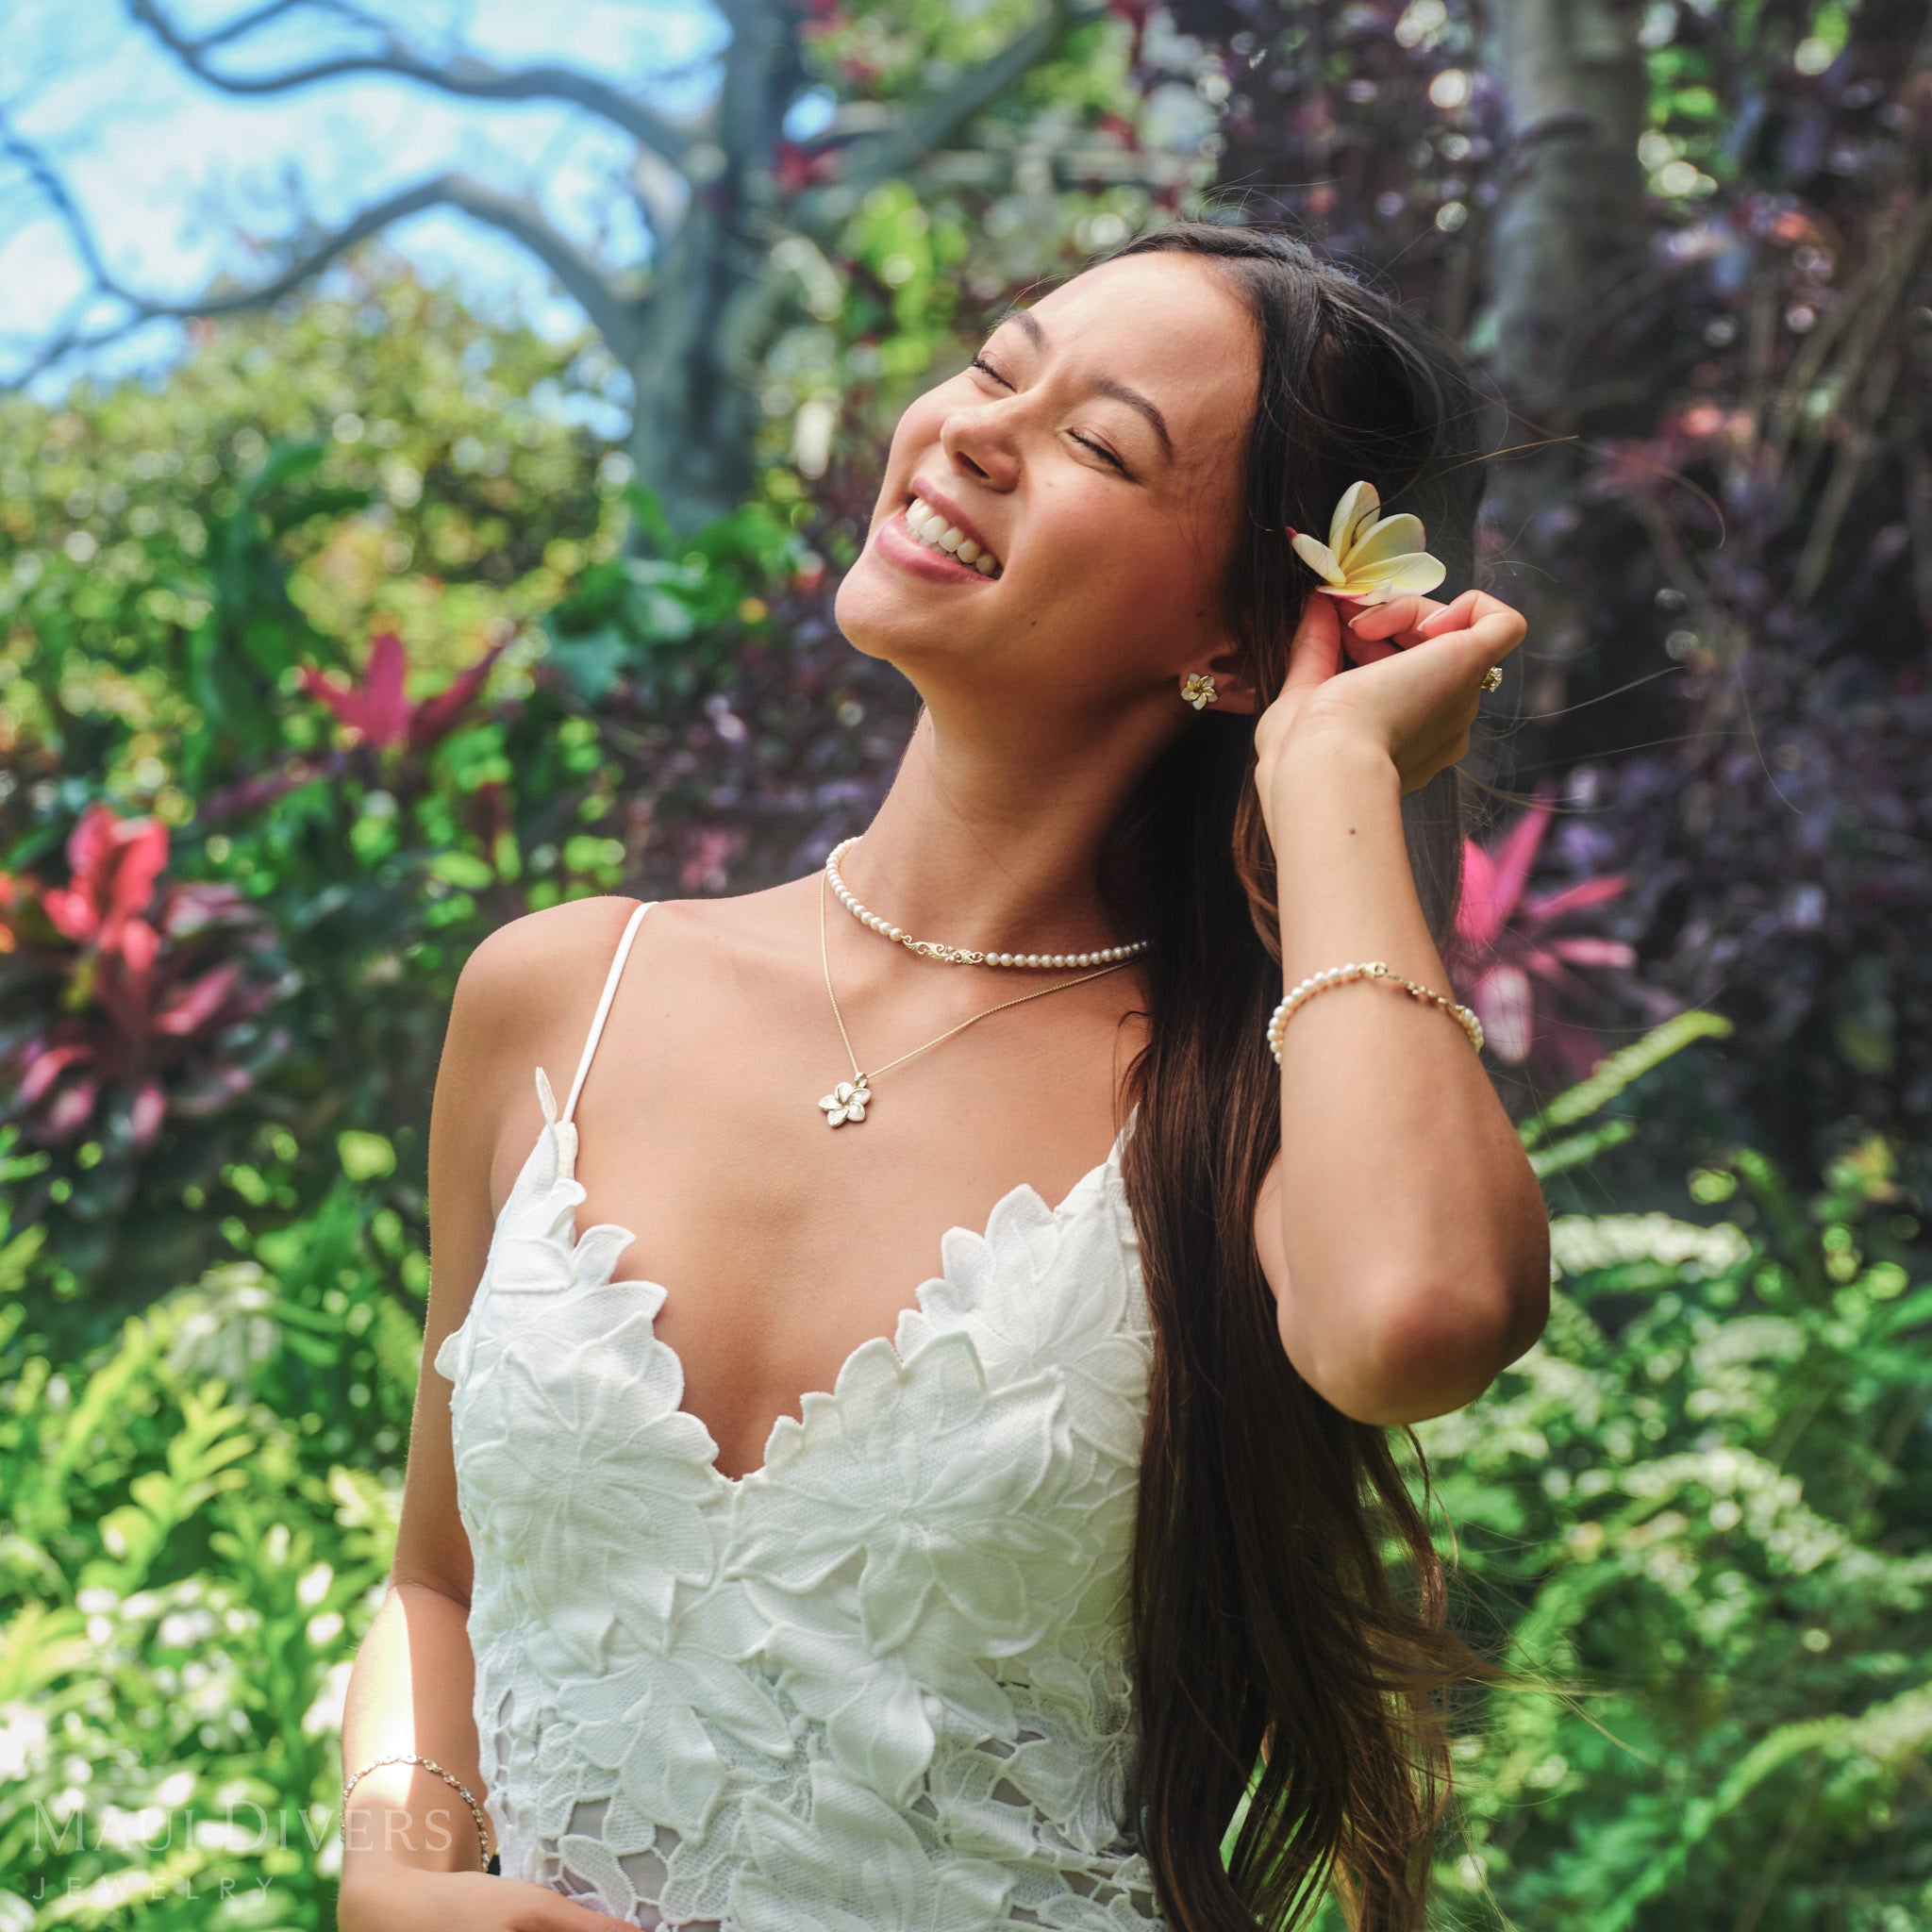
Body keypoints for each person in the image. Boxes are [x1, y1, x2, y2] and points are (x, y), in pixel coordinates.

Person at [335, 218, 1549, 1932]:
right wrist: (393, 1861)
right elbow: (436, 1582)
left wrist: (1333, 770)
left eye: (1099, 444)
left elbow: (1416, 1315)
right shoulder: (559, 994)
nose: (978, 428)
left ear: (1232, 642)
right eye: (996, 364)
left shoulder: (1265, 1105)